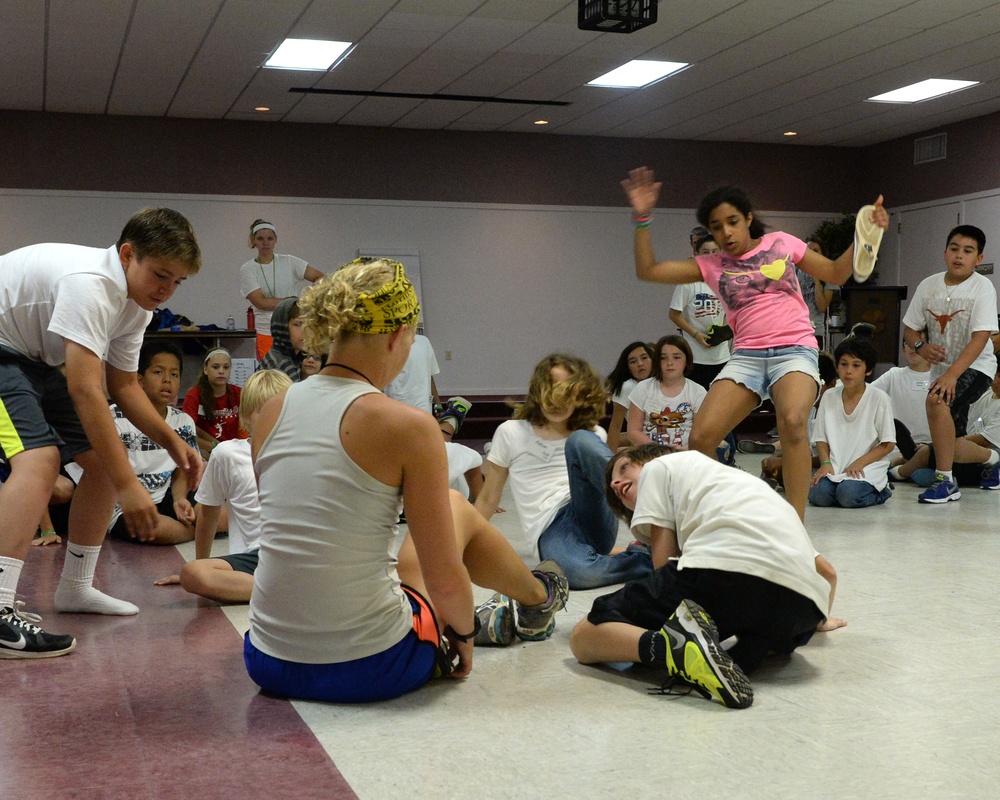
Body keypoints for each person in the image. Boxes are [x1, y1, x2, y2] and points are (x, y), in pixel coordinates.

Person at [244, 258, 569, 703]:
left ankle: (534, 596)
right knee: (454, 510)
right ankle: (538, 598)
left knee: (403, 553)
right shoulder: (408, 425)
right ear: (399, 336)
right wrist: (462, 632)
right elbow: (443, 573)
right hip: (372, 665)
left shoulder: (272, 409)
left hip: (267, 660)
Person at [622, 167, 889, 520]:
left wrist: (865, 235)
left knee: (793, 420)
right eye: (717, 227)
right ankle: (714, 514)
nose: (726, 232)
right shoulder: (711, 264)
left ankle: (794, 525)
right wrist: (642, 218)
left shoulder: (780, 243)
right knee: (701, 436)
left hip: (794, 348)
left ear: (748, 218)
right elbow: (648, 271)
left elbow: (837, 274)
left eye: (732, 221)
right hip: (746, 356)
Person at [0, 207, 203, 658]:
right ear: (127, 254)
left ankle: (75, 587)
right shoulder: (91, 283)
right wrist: (132, 487)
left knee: (107, 465)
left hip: (28, 357)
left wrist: (174, 442)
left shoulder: (137, 305)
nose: (166, 291)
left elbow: (124, 385)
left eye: (178, 282)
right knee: (40, 461)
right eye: (160, 275)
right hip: (4, 350)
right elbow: (85, 389)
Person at [570, 444, 839, 709]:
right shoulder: (739, 484)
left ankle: (672, 650)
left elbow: (663, 569)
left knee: (584, 636)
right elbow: (827, 572)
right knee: (747, 632)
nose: (617, 484)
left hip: (725, 575)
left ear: (651, 457)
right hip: (802, 611)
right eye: (614, 490)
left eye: (624, 467)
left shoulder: (658, 468)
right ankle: (724, 655)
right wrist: (819, 620)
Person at [475, 353, 653, 590]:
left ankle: (659, 512)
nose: (557, 400)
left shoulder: (592, 433)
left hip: (592, 513)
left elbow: (608, 483)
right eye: (551, 389)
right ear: (538, 391)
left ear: (581, 395)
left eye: (567, 391)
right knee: (577, 575)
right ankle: (646, 557)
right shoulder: (511, 432)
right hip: (549, 526)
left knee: (581, 439)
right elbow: (488, 497)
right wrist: (462, 543)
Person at [155, 370, 293, 603]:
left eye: (283, 412)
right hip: (260, 557)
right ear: (246, 416)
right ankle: (290, 591)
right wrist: (201, 562)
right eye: (265, 411)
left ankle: (290, 587)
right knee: (193, 574)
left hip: (305, 553)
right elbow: (207, 515)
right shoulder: (228, 454)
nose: (275, 420)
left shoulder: (307, 451)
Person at [901, 225, 998, 503]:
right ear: (945, 253)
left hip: (977, 367)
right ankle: (994, 459)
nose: (959, 256)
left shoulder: (983, 288)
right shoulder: (928, 285)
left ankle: (945, 481)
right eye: (954, 249)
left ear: (978, 259)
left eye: (968, 251)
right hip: (943, 371)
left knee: (936, 400)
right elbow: (910, 329)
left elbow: (981, 338)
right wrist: (921, 346)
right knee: (948, 444)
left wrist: (952, 376)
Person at [103, 341, 200, 543]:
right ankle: (197, 532)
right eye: (158, 372)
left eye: (174, 375)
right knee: (155, 529)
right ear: (139, 381)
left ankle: (194, 528)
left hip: (165, 495)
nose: (167, 380)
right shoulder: (114, 417)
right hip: (126, 503)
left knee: (219, 510)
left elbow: (182, 470)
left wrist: (179, 498)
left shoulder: (183, 421)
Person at [808, 338, 895, 508]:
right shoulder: (829, 396)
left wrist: (860, 462)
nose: (848, 371)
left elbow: (888, 443)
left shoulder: (879, 398)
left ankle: (882, 491)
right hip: (836, 466)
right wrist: (825, 463)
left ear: (867, 370)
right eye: (844, 364)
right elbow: (821, 438)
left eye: (856, 365)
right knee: (818, 496)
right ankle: (840, 489)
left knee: (848, 495)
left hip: (866, 467)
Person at [890, 368, 1000, 489]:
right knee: (904, 458)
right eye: (995, 376)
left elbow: (985, 440)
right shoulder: (983, 394)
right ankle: (910, 465)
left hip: (980, 459)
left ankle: (897, 473)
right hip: (963, 448)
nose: (995, 381)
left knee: (927, 453)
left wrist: (941, 445)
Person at [240, 219, 323, 360]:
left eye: (269, 238)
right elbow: (260, 302)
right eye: (260, 238)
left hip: (293, 329)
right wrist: (293, 302)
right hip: (266, 330)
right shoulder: (248, 269)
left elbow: (321, 278)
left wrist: (310, 298)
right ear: (254, 241)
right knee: (271, 374)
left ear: (275, 240)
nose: (265, 242)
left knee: (295, 370)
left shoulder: (290, 261)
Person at [669, 234, 732, 389]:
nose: (710, 256)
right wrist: (696, 335)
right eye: (705, 252)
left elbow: (730, 312)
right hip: (696, 357)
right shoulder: (688, 282)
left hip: (722, 356)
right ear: (697, 255)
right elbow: (674, 314)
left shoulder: (726, 282)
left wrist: (723, 330)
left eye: (714, 252)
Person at [627, 335, 706, 451]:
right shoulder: (643, 388)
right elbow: (633, 431)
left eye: (676, 357)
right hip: (649, 454)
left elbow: (701, 435)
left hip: (686, 454)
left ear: (687, 360)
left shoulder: (697, 392)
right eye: (663, 358)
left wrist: (682, 451)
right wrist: (660, 450)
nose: (669, 363)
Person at [871, 339, 932, 465]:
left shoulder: (941, 377)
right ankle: (903, 467)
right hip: (897, 448)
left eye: (919, 344)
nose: (912, 348)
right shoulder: (894, 375)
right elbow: (867, 394)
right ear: (903, 349)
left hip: (932, 445)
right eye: (908, 344)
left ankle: (904, 469)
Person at [182, 347, 246, 460]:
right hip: (206, 449)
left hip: (233, 452)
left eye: (226, 367)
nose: (221, 371)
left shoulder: (239, 393)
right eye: (216, 367)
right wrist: (215, 446)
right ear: (205, 369)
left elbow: (246, 428)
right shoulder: (194, 394)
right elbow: (186, 432)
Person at [605, 341, 654, 451]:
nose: (640, 363)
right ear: (628, 368)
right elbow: (616, 425)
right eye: (633, 361)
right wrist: (609, 461)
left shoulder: (663, 383)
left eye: (644, 358)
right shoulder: (628, 387)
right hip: (644, 448)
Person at [258, 297, 306, 381]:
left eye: (308, 324)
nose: (305, 331)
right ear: (282, 327)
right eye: (297, 324)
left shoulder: (297, 358)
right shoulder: (277, 365)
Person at [797, 238, 834, 346]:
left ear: (822, 253)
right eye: (808, 250)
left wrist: (817, 282)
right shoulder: (796, 271)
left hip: (815, 331)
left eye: (816, 250)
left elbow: (822, 307)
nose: (812, 254)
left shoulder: (828, 273)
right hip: (797, 330)